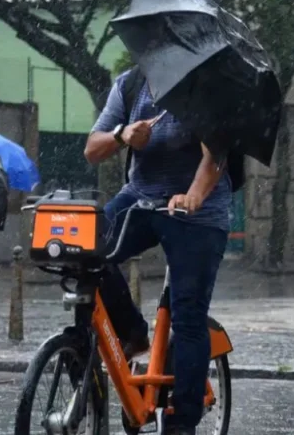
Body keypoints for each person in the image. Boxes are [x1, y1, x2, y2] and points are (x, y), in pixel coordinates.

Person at [84, 68, 230, 435]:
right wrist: (122, 135)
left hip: (196, 214)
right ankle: (132, 332)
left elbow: (215, 155)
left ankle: (181, 423)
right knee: (85, 253)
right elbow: (92, 149)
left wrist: (193, 196)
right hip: (140, 198)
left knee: (188, 316)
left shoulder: (204, 84)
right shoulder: (130, 84)